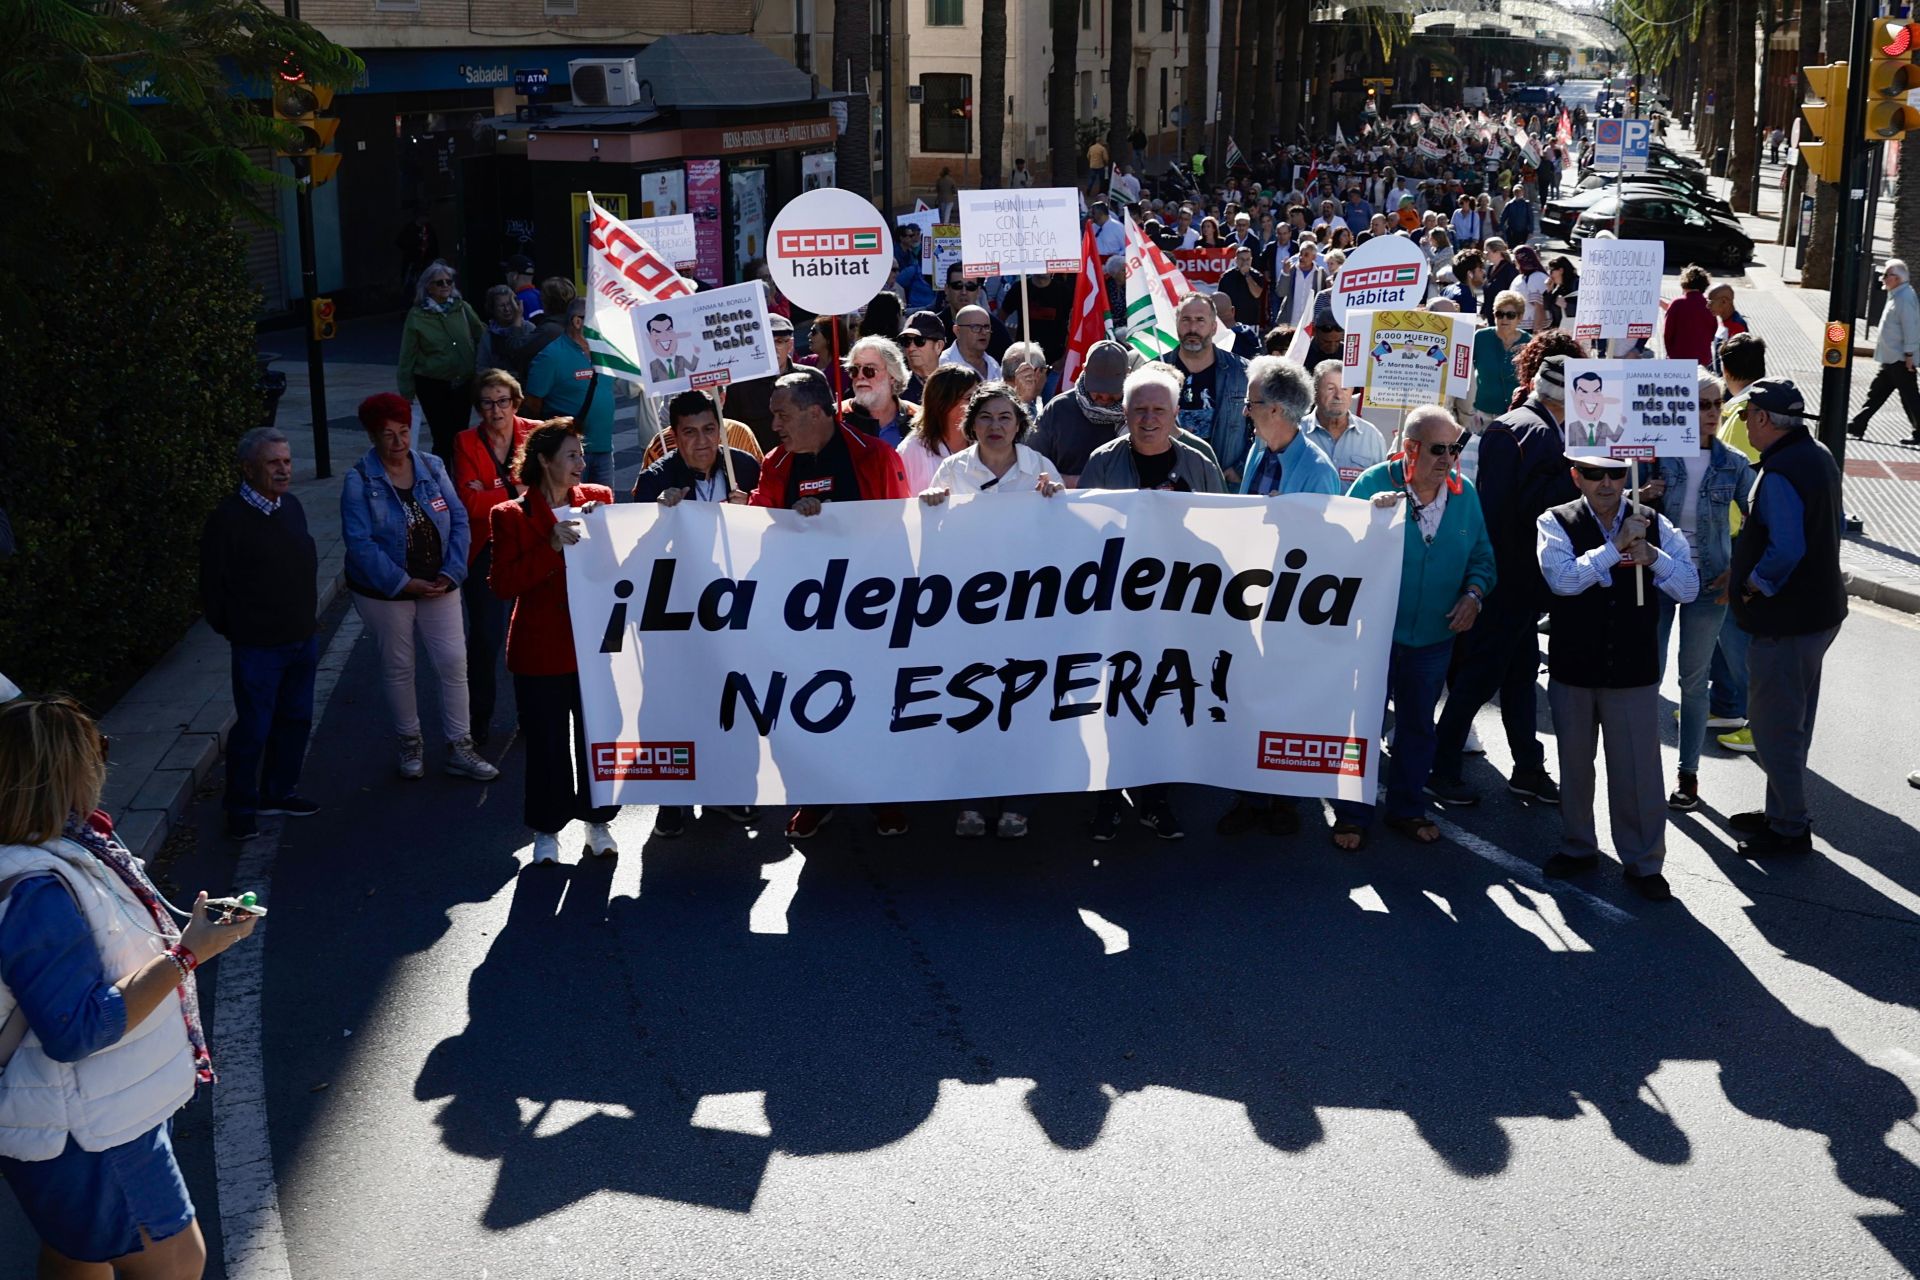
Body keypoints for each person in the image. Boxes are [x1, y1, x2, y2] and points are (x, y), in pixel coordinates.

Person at [0, 694, 261, 1280]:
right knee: (177, 1265)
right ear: (64, 772)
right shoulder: (37, 886)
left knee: (76, 1254)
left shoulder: (53, 851)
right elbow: (76, 1029)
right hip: (92, 1130)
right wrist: (190, 953)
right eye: (96, 750)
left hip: (74, 1117)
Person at [749, 373, 912, 841]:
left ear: (816, 412)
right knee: (810, 706)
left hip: (869, 609)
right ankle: (815, 796)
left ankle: (885, 797)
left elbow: (899, 525)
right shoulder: (776, 464)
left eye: (783, 413)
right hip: (805, 615)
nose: (774, 422)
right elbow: (760, 528)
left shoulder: (874, 455)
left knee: (876, 702)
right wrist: (786, 524)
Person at [1538, 446, 1699, 902]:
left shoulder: (1653, 521)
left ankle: (1645, 862)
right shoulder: (1555, 521)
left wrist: (1652, 557)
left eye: (1613, 473)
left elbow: (1688, 589)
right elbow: (1563, 581)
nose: (1605, 483)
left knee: (1637, 771)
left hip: (1632, 669)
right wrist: (1613, 550)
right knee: (1574, 763)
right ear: (1576, 476)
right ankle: (1578, 847)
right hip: (1574, 665)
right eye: (1593, 474)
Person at [1333, 407, 1496, 850]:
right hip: (1373, 636)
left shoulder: (1465, 494)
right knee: (1361, 726)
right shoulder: (1372, 484)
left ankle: (1406, 808)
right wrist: (1367, 517)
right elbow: (1335, 552)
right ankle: (1350, 814)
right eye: (1439, 449)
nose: (1448, 458)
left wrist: (1474, 595)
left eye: (1455, 448)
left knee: (1417, 726)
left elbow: (1482, 558)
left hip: (1432, 638)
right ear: (1411, 448)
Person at [1077, 365, 1224, 841]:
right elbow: (1082, 534)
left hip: (1176, 608)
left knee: (1163, 703)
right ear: (1123, 412)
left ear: (1176, 414)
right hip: (1116, 609)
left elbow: (1224, 532)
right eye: (1139, 409)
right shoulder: (1102, 462)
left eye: (1159, 409)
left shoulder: (1201, 462)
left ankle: (1155, 800)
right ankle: (1106, 802)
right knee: (1111, 705)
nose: (1148, 419)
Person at [917, 382, 1066, 839]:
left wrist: (1057, 501)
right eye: (986, 417)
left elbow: (1065, 538)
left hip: (1026, 609)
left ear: (1019, 423)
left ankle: (1019, 802)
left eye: (1005, 417)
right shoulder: (951, 469)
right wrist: (930, 506)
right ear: (971, 424)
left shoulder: (1039, 468)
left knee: (1021, 705)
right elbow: (932, 539)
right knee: (970, 701)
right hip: (970, 611)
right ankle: (971, 801)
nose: (996, 426)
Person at [1428, 352, 1575, 808]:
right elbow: (1517, 510)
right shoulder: (1527, 433)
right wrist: (1576, 482)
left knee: (1517, 675)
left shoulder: (1520, 427)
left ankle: (1526, 766)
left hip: (1515, 580)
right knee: (1481, 677)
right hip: (1511, 579)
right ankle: (1443, 767)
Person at [343, 392, 499, 783]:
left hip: (439, 582)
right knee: (400, 667)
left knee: (452, 662)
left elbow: (460, 520)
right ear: (372, 437)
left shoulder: (431, 466)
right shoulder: (359, 480)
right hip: (386, 591)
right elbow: (359, 542)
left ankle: (460, 746)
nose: (398, 443)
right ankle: (409, 741)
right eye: (388, 435)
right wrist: (402, 581)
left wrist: (452, 572)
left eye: (404, 432)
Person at [488, 421, 621, 865]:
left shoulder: (599, 501)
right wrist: (549, 546)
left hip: (592, 648)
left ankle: (598, 823)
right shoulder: (510, 514)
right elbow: (503, 584)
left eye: (582, 455)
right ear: (544, 461)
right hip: (539, 648)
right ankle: (546, 832)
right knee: (546, 745)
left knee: (596, 737)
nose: (581, 464)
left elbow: (621, 561)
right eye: (571, 456)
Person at [1727, 379, 1848, 857]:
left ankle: (1790, 828)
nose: (1744, 426)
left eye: (1745, 417)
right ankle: (1780, 811)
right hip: (1819, 613)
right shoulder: (1817, 454)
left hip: (1787, 621)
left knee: (1774, 726)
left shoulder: (1777, 473)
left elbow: (1786, 550)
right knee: (1792, 722)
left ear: (1761, 419)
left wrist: (1755, 584)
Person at [1636, 368, 1753, 811]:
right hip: (1660, 578)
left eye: (1715, 405)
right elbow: (1619, 506)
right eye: (1699, 405)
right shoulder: (1654, 457)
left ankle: (1688, 776)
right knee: (1649, 672)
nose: (1708, 413)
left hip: (1710, 585)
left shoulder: (1734, 464)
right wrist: (1642, 495)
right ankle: (1645, 768)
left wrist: (1740, 569)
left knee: (1693, 680)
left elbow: (1760, 519)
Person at [199, 427, 319, 841]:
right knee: (254, 729)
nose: (283, 470)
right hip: (259, 648)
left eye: (286, 461)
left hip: (302, 637)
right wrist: (241, 630)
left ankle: (278, 792)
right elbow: (212, 589)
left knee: (296, 720)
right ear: (249, 469)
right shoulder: (228, 520)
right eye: (273, 463)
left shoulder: (292, 506)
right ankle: (241, 808)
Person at [450, 370, 538, 749]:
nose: (496, 409)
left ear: (515, 403)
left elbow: (546, 489)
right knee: (486, 639)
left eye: (503, 401)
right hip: (485, 547)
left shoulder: (536, 433)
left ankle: (529, 717)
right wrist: (514, 487)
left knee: (531, 635)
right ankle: (479, 719)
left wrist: (491, 489)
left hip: (530, 542)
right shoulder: (466, 442)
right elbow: (468, 504)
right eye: (487, 402)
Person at [1711, 332, 1767, 751]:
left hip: (1736, 535)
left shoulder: (1746, 413)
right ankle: (1726, 703)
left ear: (1726, 370)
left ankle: (1759, 721)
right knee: (1718, 625)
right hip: (1730, 532)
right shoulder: (1748, 408)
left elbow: (1740, 475)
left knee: (1733, 631)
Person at [524, 298, 617, 489]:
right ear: (577, 322)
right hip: (568, 453)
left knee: (605, 508)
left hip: (604, 448)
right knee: (574, 510)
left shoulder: (604, 352)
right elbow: (533, 403)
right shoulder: (551, 356)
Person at [397, 261, 484, 461]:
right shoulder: (417, 315)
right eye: (439, 283)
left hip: (463, 381)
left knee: (460, 433)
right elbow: (407, 355)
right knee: (442, 437)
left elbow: (481, 333)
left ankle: (460, 479)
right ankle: (441, 480)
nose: (445, 285)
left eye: (449, 281)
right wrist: (406, 391)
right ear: (428, 286)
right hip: (432, 383)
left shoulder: (462, 307)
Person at [1162, 294, 1253, 483]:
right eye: (1185, 320)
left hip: (1224, 485)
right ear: (1176, 324)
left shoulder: (1242, 373)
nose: (1193, 328)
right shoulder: (1156, 371)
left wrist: (1241, 467)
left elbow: (1262, 428)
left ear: (1214, 327)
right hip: (1169, 485)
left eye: (1200, 320)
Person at [1029, 339, 1130, 484]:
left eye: (1113, 389)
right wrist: (1074, 482)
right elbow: (1032, 465)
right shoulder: (1059, 409)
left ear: (1128, 375)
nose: (1105, 397)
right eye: (1098, 389)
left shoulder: (1137, 412)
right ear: (1084, 370)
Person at [1848, 259, 1920, 443]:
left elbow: (1911, 328)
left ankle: (1858, 425)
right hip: (1891, 358)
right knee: (1877, 393)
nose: (1883, 279)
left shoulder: (1904, 299)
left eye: (1886, 275)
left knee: (1910, 398)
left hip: (1900, 358)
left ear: (1897, 278)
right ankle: (1857, 425)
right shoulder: (1897, 294)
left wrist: (1910, 356)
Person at [1300, 359, 1388, 487]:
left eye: (1345, 389)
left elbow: (1380, 486)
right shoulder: (1295, 433)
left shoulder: (1372, 436)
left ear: (1352, 391)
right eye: (1331, 388)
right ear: (1315, 391)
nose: (1339, 395)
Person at [898, 364, 983, 491]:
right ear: (943, 403)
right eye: (970, 398)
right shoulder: (912, 449)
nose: (978, 405)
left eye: (980, 398)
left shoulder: (986, 445)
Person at [725, 312, 796, 451]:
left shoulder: (811, 378)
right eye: (766, 342)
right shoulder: (739, 387)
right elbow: (732, 436)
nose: (772, 348)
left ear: (790, 345)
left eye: (779, 341)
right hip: (761, 467)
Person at [1470, 291, 1530, 432]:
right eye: (1499, 314)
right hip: (1482, 413)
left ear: (1520, 317)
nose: (1504, 319)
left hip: (1516, 414)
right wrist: (1468, 411)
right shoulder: (1480, 338)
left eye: (1510, 315)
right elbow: (1462, 370)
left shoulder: (1529, 343)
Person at [474, 284, 536, 381]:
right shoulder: (488, 336)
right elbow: (481, 369)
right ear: (493, 309)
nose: (507, 309)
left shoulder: (529, 329)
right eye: (501, 306)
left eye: (510, 304)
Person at [1663, 264, 1717, 368]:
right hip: (1703, 360)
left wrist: (1670, 353)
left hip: (1678, 359)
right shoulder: (1710, 305)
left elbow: (1667, 333)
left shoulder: (1677, 303)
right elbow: (1712, 332)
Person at [1273, 238, 1327, 330]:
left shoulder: (1320, 273)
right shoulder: (1291, 270)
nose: (1302, 258)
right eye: (1301, 254)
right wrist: (1285, 273)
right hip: (1290, 323)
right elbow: (1280, 293)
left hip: (1310, 324)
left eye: (1306, 255)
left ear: (1313, 257)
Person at [942, 304, 1002, 380]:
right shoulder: (944, 366)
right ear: (957, 330)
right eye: (976, 327)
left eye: (986, 327)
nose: (983, 332)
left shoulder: (993, 365)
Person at [1216, 245, 1267, 328]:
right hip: (1231, 322)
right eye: (1241, 259)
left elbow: (1257, 294)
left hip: (1251, 322)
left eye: (1247, 259)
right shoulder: (1226, 277)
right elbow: (1221, 299)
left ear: (1251, 260)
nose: (1244, 262)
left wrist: (1247, 275)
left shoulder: (1257, 275)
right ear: (1236, 260)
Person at [999, 340, 1050, 413]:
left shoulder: (993, 398)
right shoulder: (999, 407)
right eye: (1045, 370)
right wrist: (1024, 402)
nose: (1045, 379)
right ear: (1035, 372)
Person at [1512, 244, 1551, 332]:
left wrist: (1536, 332)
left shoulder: (1537, 277)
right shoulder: (1520, 278)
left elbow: (1539, 307)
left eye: (1515, 259)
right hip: (1521, 328)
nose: (1514, 262)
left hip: (1532, 328)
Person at [501, 253, 542, 321]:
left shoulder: (516, 301)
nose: (506, 275)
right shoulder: (543, 296)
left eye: (507, 272)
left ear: (515, 276)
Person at [1444, 249, 1485, 316]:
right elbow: (1467, 324)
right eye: (1480, 269)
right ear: (1470, 274)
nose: (1483, 272)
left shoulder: (1446, 289)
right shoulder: (1468, 295)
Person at [1544, 256, 1580, 331]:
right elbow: (1547, 308)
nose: (1550, 275)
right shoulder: (1558, 287)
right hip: (1558, 329)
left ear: (1561, 270)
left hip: (1573, 331)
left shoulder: (1577, 284)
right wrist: (1549, 291)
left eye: (1551, 271)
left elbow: (1585, 310)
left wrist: (1566, 305)